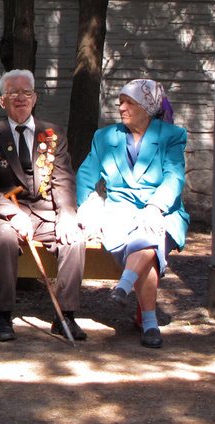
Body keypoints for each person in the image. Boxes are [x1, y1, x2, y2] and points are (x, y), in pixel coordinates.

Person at [0, 70, 86, 342]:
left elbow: (63, 180)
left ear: (34, 98)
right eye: (13, 93)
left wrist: (68, 215)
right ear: (3, 101)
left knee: (74, 238)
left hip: (46, 211)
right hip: (5, 211)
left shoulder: (52, 133)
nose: (20, 98)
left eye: (26, 92)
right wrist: (13, 214)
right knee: (5, 238)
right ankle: (3, 315)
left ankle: (66, 316)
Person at [76, 78, 189, 349]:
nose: (122, 108)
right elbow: (86, 174)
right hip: (120, 212)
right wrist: (87, 213)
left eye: (129, 103)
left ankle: (124, 286)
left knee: (149, 230)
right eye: (120, 102)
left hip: (163, 209)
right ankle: (149, 324)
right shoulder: (105, 137)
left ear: (148, 107)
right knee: (148, 242)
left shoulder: (171, 136)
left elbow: (174, 177)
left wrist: (154, 207)